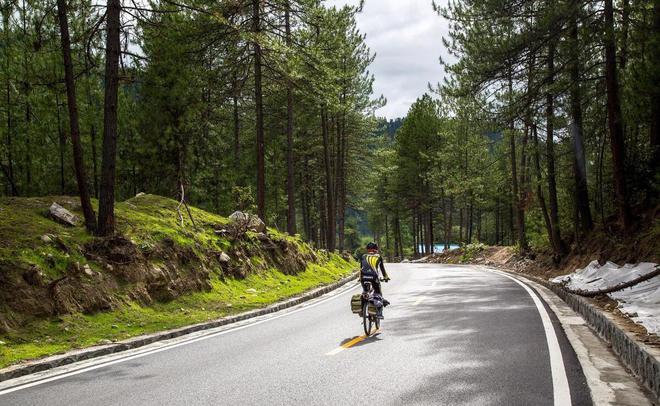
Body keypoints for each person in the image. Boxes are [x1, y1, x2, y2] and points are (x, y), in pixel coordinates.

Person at [359, 242, 390, 318]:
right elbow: (382, 269)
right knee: (378, 293)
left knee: (365, 292)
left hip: (363, 277)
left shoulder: (363, 256)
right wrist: (385, 277)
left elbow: (361, 268)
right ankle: (379, 313)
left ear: (367, 249)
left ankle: (362, 310)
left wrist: (360, 278)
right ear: (376, 249)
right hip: (373, 277)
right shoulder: (378, 256)